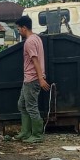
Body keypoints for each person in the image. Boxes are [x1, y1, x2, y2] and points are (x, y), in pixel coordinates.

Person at [13, 15, 50, 143]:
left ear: (24, 28)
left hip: (32, 79)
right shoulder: (37, 38)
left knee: (31, 107)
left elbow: (35, 60)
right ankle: (25, 131)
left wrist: (40, 78)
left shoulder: (29, 42)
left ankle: (37, 135)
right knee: (21, 104)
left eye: (19, 29)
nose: (18, 31)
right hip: (29, 79)